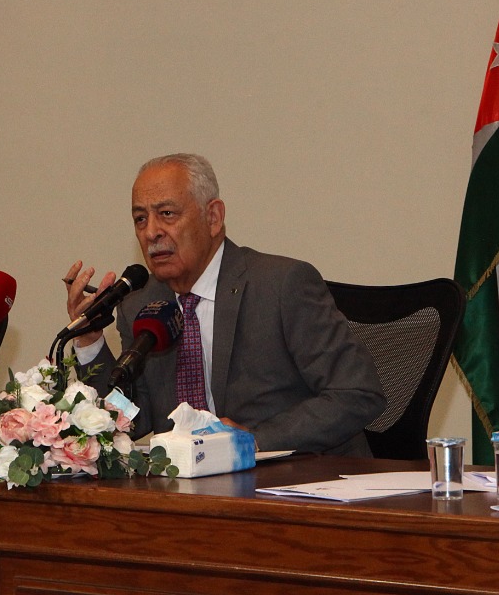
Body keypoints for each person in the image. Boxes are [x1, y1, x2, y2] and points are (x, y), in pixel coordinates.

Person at [64, 153, 385, 456]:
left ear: (213, 217)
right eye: (140, 218)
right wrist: (89, 342)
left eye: (167, 214)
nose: (151, 232)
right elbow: (131, 419)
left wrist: (255, 441)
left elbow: (356, 393)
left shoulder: (281, 285)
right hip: (191, 487)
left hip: (300, 479)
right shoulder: (141, 304)